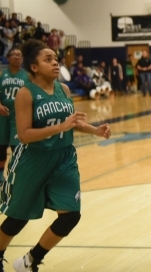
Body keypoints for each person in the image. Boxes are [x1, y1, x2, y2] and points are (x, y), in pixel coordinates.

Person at [0, 39, 111, 272]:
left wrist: (95, 130)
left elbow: (71, 124)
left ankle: (30, 261)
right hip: (33, 159)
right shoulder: (25, 93)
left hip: (64, 159)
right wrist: (61, 127)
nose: (55, 63)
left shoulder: (64, 89)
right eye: (48, 59)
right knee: (19, 217)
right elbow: (25, 134)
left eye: (56, 59)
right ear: (34, 67)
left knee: (71, 215)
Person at [0, 49, 28, 181]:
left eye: (19, 55)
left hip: (19, 113)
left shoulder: (27, 76)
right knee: (1, 145)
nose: (17, 57)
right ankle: (0, 175)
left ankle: (16, 174)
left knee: (17, 145)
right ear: (8, 58)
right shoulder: (2, 75)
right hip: (3, 113)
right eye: (14, 55)